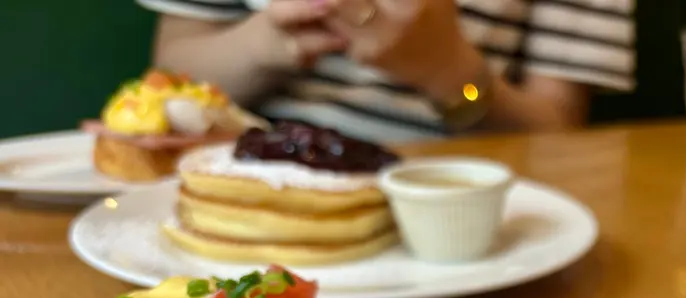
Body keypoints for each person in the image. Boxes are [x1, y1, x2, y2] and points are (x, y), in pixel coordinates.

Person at [137, 0, 636, 144]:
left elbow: (556, 130)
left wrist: (451, 72)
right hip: (243, 180)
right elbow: (173, 73)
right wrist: (269, 43)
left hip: (458, 206)